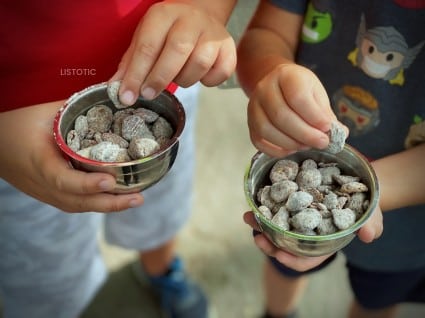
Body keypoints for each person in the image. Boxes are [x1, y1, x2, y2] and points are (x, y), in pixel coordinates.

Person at [0, 1, 237, 318]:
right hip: (19, 136)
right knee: (48, 277)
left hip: (164, 85)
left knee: (159, 211)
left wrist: (207, 9)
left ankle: (161, 269)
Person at [236, 1, 425, 318]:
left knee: (375, 301)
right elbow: (265, 34)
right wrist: (273, 75)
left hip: (405, 230)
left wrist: (371, 189)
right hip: (296, 186)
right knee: (284, 269)